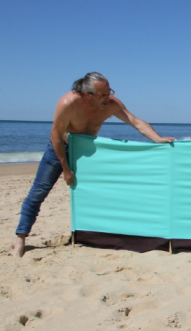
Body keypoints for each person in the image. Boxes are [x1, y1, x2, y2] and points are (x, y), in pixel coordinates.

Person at [12, 72, 176, 258]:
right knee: (39, 191)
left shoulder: (111, 104)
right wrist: (66, 169)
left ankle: (103, 234)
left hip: (88, 152)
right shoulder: (68, 103)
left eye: (109, 92)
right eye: (102, 95)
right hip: (61, 150)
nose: (108, 98)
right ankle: (21, 238)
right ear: (87, 94)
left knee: (104, 191)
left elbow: (135, 122)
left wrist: (158, 138)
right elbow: (56, 136)